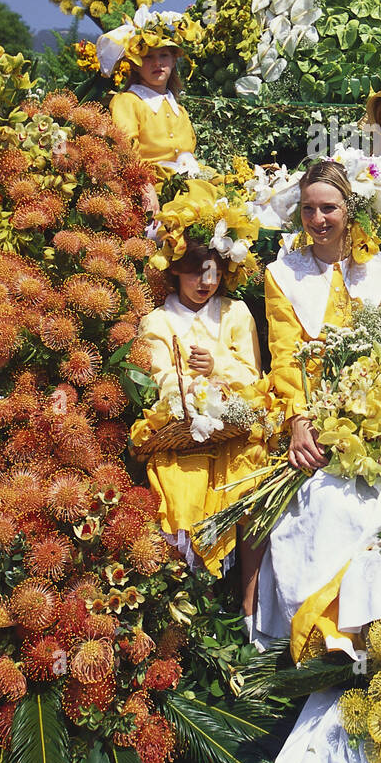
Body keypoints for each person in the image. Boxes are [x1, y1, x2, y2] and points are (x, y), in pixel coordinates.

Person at [255, 160, 381, 649]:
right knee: (316, 505)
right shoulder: (283, 274)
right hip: (314, 415)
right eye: (308, 209)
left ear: (352, 209)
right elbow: (285, 356)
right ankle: (318, 637)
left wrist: (378, 412)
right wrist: (300, 421)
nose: (317, 220)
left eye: (329, 208)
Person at [130, 219, 264, 616]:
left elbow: (253, 377)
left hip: (236, 430)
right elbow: (161, 378)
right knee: (179, 485)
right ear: (175, 270)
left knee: (248, 477)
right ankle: (184, 598)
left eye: (214, 273)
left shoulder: (235, 313)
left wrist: (217, 366)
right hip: (181, 433)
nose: (205, 283)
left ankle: (247, 606)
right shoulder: (157, 322)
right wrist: (190, 389)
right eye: (195, 272)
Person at [96, 7, 203, 215]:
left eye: (164, 55)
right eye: (147, 57)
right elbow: (126, 151)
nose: (157, 63)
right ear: (135, 65)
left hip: (189, 189)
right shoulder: (127, 101)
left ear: (173, 60)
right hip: (151, 192)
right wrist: (146, 189)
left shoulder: (179, 109)